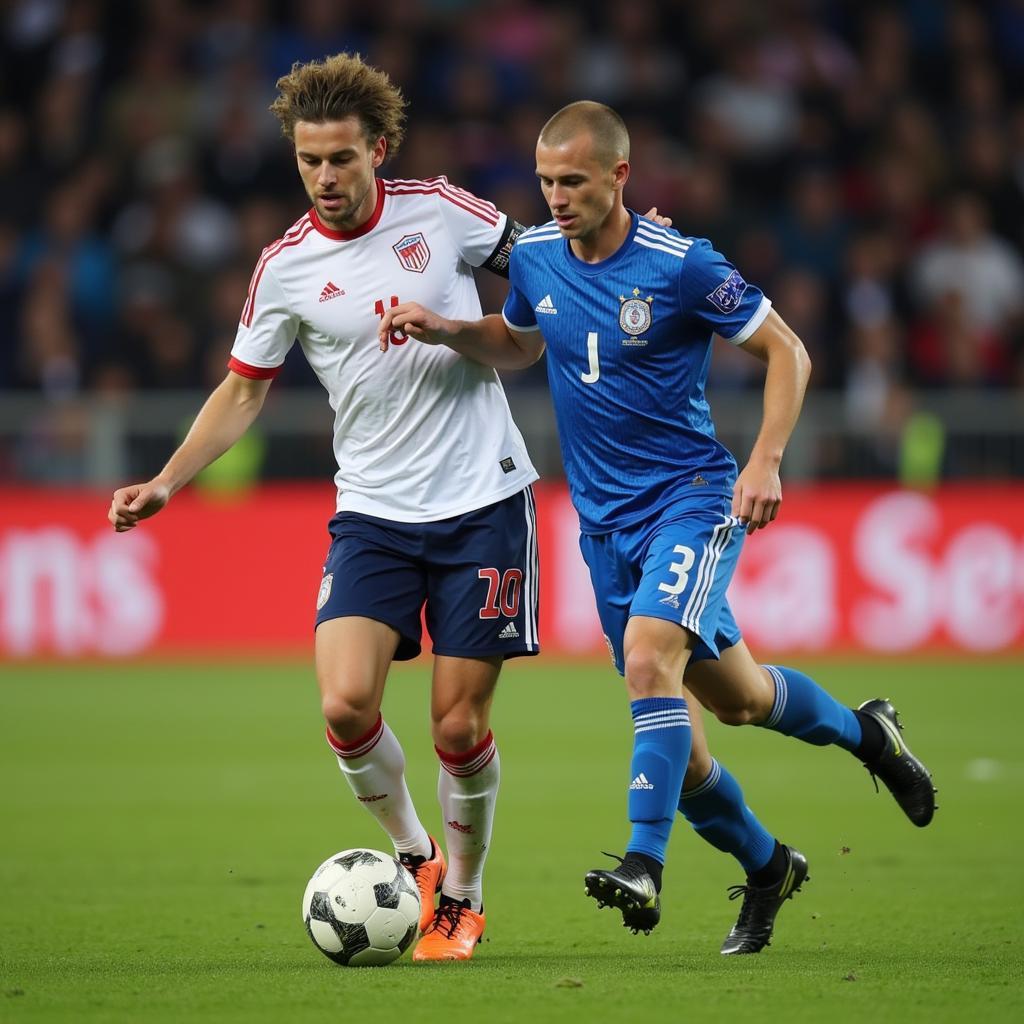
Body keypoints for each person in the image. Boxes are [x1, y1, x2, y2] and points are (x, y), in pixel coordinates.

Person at [378, 100, 937, 955]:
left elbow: (789, 350)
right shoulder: (532, 259)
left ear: (619, 176)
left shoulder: (681, 264)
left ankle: (644, 862)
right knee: (733, 708)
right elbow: (525, 343)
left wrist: (766, 459)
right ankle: (810, 811)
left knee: (650, 666)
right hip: (605, 530)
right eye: (545, 182)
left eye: (573, 181)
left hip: (691, 497)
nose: (556, 197)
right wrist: (450, 330)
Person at [107, 53, 546, 963]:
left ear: (377, 150)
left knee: (457, 727)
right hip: (375, 512)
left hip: (482, 500)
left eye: (341, 159)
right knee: (346, 706)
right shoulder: (287, 268)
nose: (325, 178)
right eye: (309, 162)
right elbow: (242, 391)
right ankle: (417, 859)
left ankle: (461, 899)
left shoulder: (445, 214)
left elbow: (553, 274)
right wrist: (167, 480)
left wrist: (615, 245)